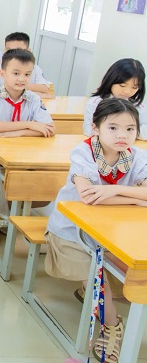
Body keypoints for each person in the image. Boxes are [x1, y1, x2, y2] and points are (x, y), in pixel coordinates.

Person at [45, 98, 147, 362]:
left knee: (132, 276)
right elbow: (88, 197)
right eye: (113, 128)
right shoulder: (83, 152)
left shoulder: (138, 156)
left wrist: (113, 190)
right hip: (72, 231)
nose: (122, 135)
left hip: (114, 232)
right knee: (96, 279)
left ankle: (103, 304)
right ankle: (112, 326)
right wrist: (136, 197)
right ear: (95, 128)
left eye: (130, 129)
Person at [0, 49, 54, 207]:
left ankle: (9, 213)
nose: (22, 79)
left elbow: (49, 129)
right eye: (16, 73)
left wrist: (19, 133)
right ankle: (0, 213)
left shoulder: (33, 98)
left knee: (42, 196)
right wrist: (28, 124)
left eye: (27, 74)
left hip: (20, 156)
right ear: (2, 74)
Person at [84, 58, 147, 140]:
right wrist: (130, 131)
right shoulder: (95, 103)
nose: (127, 91)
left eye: (134, 87)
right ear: (111, 80)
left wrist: (114, 130)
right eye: (122, 85)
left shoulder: (139, 106)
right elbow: (89, 131)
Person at [0, 32, 51, 98]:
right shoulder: (0, 68)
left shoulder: (35, 67)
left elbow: (44, 88)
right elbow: (7, 90)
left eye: (18, 50)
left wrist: (20, 86)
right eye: (9, 51)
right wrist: (34, 93)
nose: (14, 54)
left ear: (28, 50)